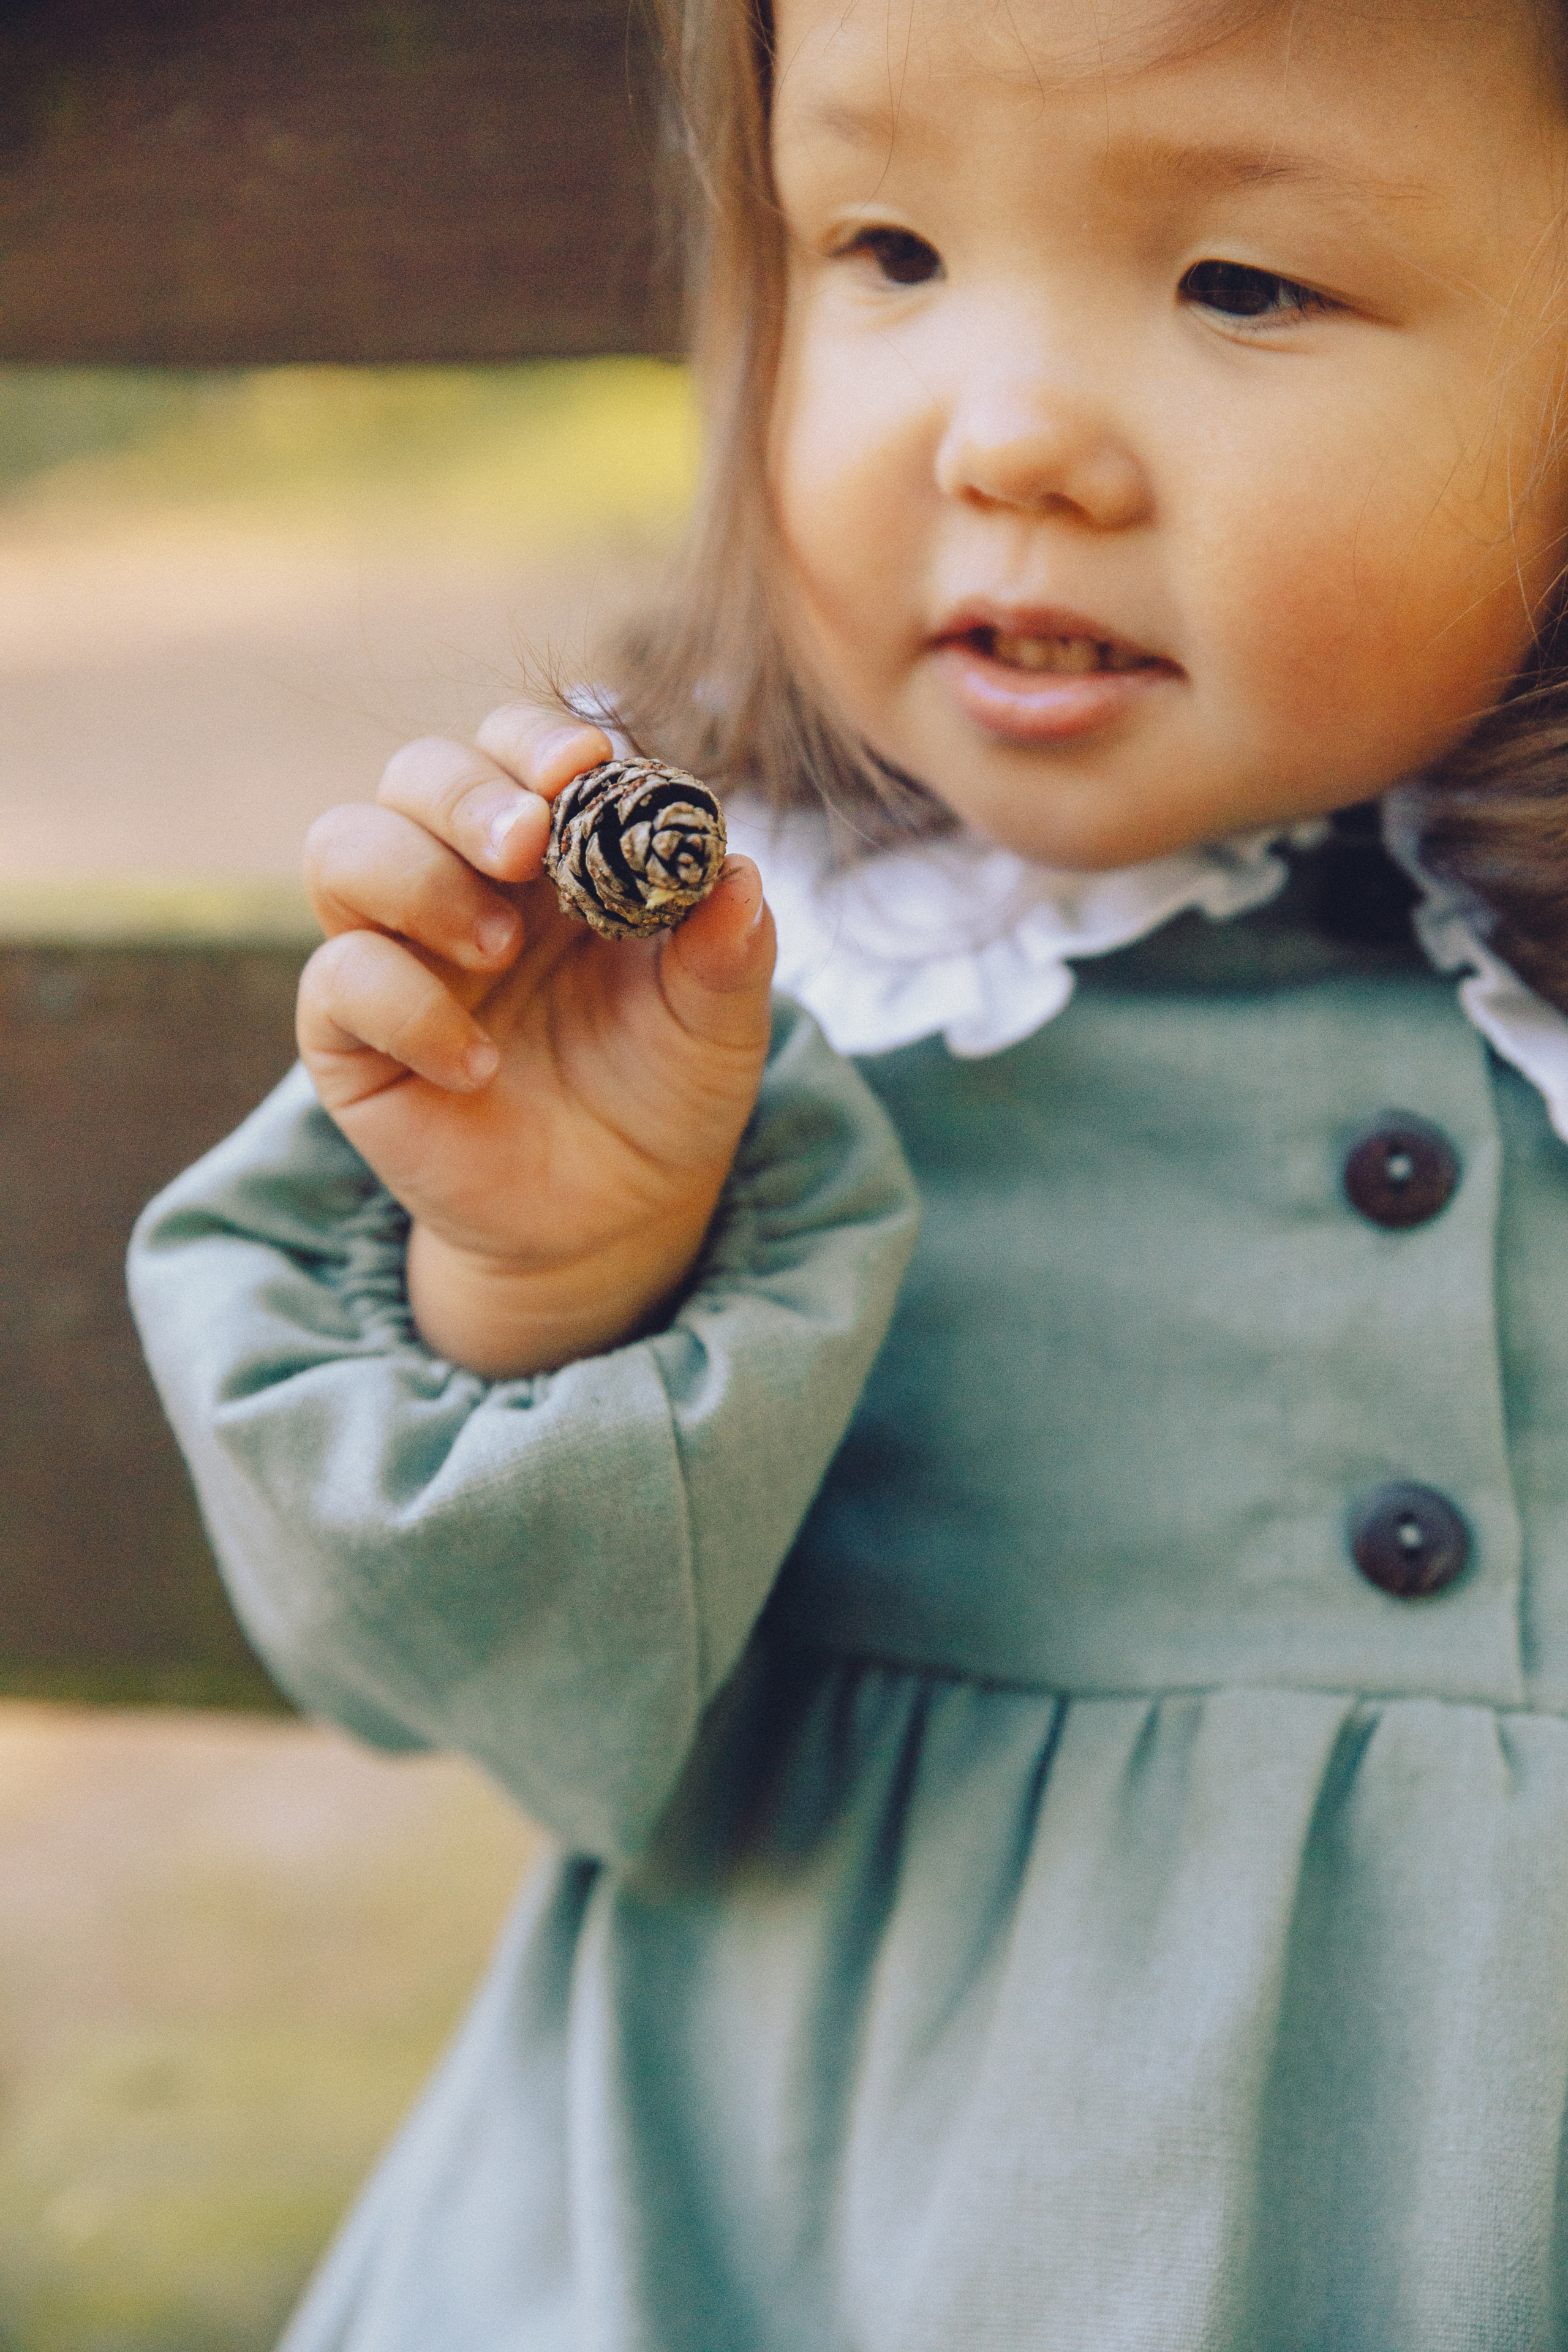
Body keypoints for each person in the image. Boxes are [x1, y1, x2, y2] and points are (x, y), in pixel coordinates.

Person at [129, 0, 1568, 2340]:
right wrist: (555, 1272)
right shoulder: (712, 981)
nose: (1008, 437)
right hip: (813, 2237)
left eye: (1239, 282)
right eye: (887, 248)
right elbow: (477, 1695)